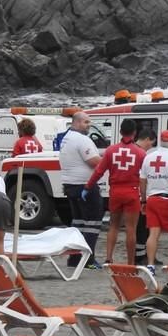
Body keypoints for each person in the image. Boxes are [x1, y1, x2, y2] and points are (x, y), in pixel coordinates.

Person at [85, 119, 146, 265]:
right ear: (135, 133)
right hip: (132, 192)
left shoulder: (110, 150)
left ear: (120, 132)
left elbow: (99, 171)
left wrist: (88, 186)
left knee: (113, 226)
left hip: (115, 192)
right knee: (131, 229)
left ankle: (108, 257)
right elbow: (145, 176)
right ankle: (130, 262)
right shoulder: (141, 153)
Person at [59, 112, 103, 269]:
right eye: (86, 122)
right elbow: (93, 162)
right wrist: (109, 159)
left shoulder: (66, 138)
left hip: (70, 185)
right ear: (76, 123)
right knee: (93, 222)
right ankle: (88, 260)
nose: (88, 125)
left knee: (78, 223)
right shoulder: (82, 140)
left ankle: (74, 259)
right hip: (85, 186)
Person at [140, 130, 168, 273]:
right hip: (167, 199)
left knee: (153, 233)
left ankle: (150, 264)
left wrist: (143, 200)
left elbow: (142, 180)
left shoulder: (148, 157)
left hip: (152, 199)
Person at [133, 129, 157, 265]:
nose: (150, 147)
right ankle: (141, 256)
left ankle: (145, 254)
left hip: (137, 192)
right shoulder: (141, 154)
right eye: (151, 144)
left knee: (145, 226)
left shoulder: (134, 150)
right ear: (147, 139)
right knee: (142, 226)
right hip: (139, 194)